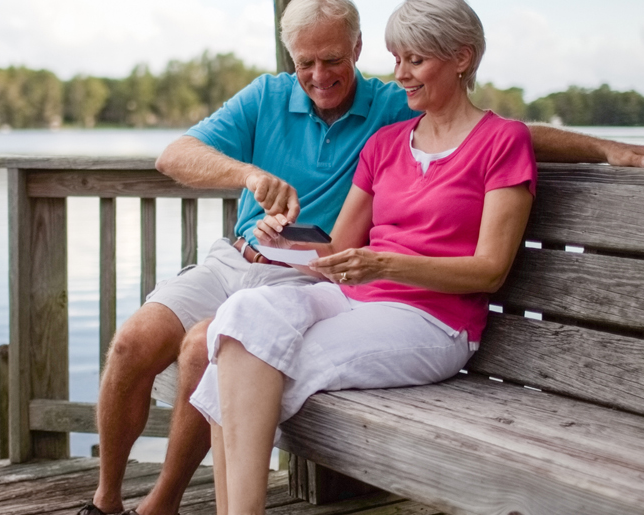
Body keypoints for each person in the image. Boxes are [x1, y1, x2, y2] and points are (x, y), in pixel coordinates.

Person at [81, 1, 644, 514]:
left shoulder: (421, 118)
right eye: (305, 64)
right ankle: (131, 502)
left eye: (334, 60)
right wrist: (271, 218)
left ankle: (178, 504)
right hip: (303, 274)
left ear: (357, 51)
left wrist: (608, 148)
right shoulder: (350, 126)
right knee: (209, 331)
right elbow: (330, 244)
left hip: (413, 309)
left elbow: (497, 151)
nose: (321, 75)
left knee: (216, 351)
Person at [190, 0, 529, 511]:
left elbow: (490, 272)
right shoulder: (387, 143)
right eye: (397, 59)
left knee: (240, 368)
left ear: (461, 57)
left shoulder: (503, 142)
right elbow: (340, 249)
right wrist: (283, 239)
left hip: (434, 320)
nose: (400, 75)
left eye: (415, 60)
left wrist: (385, 263)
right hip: (354, 300)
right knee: (241, 318)